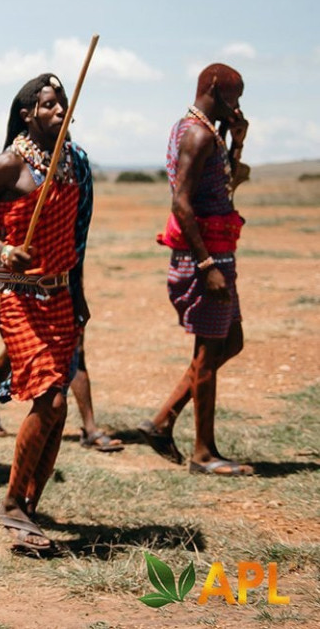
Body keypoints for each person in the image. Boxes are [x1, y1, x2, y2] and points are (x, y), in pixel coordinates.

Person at [0, 73, 92, 555]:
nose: (60, 111)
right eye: (49, 104)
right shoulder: (7, 164)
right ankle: (11, 502)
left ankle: (29, 505)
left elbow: (75, 238)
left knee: (59, 406)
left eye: (63, 103)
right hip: (19, 296)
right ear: (28, 113)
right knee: (49, 401)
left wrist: (79, 294)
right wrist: (2, 248)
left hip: (61, 295)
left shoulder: (71, 162)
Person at [140, 63, 252, 476]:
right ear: (215, 87)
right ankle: (203, 453)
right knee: (208, 353)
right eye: (234, 97)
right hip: (205, 258)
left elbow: (222, 188)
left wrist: (236, 143)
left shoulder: (204, 131)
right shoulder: (198, 134)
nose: (237, 106)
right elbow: (181, 204)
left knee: (230, 342)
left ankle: (161, 422)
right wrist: (206, 266)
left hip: (217, 253)